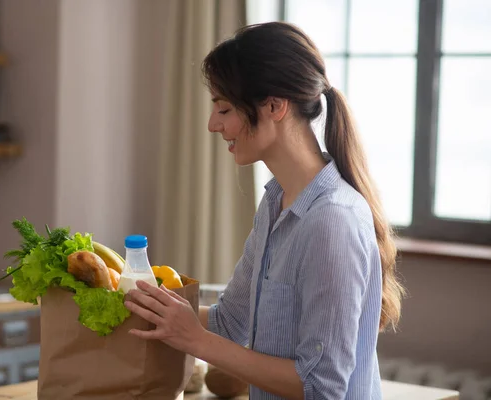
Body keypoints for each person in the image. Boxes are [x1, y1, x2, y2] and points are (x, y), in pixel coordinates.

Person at [124, 21, 405, 399]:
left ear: (274, 105)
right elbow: (230, 320)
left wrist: (195, 341)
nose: (212, 124)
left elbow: (320, 388)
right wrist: (142, 302)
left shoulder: (331, 221)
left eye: (224, 108)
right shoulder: (276, 202)